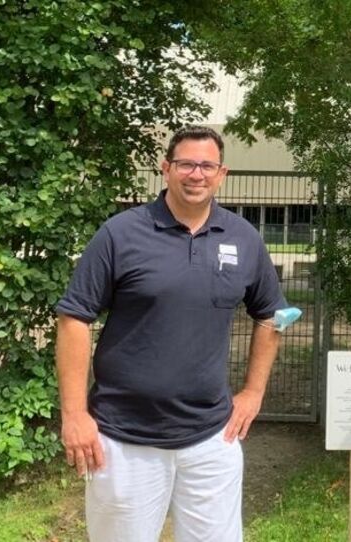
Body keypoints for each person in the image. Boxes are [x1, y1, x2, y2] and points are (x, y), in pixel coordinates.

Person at [55, 125, 286, 542]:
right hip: (124, 440)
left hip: (212, 438)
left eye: (206, 165)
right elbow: (74, 318)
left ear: (222, 174)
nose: (195, 174)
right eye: (185, 164)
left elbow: (275, 314)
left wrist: (254, 392)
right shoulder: (121, 234)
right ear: (166, 169)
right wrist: (74, 414)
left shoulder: (244, 238)